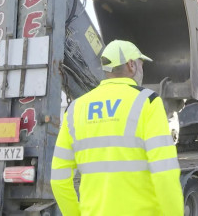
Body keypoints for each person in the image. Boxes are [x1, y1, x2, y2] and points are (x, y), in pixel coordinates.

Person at [50, 40, 184, 215]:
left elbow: (58, 180)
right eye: (141, 65)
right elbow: (164, 172)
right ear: (131, 65)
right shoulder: (147, 102)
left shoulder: (76, 109)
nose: (142, 71)